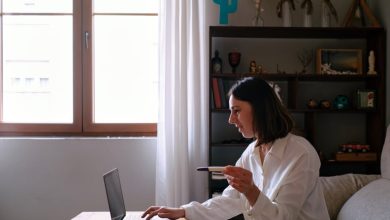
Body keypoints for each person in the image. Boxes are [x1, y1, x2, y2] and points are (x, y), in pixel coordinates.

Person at [142, 77, 330, 220]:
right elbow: (231, 200)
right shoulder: (252, 152)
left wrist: (251, 191)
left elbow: (283, 216)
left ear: (260, 109)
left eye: (237, 111)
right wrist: (184, 211)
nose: (231, 120)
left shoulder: (301, 154)